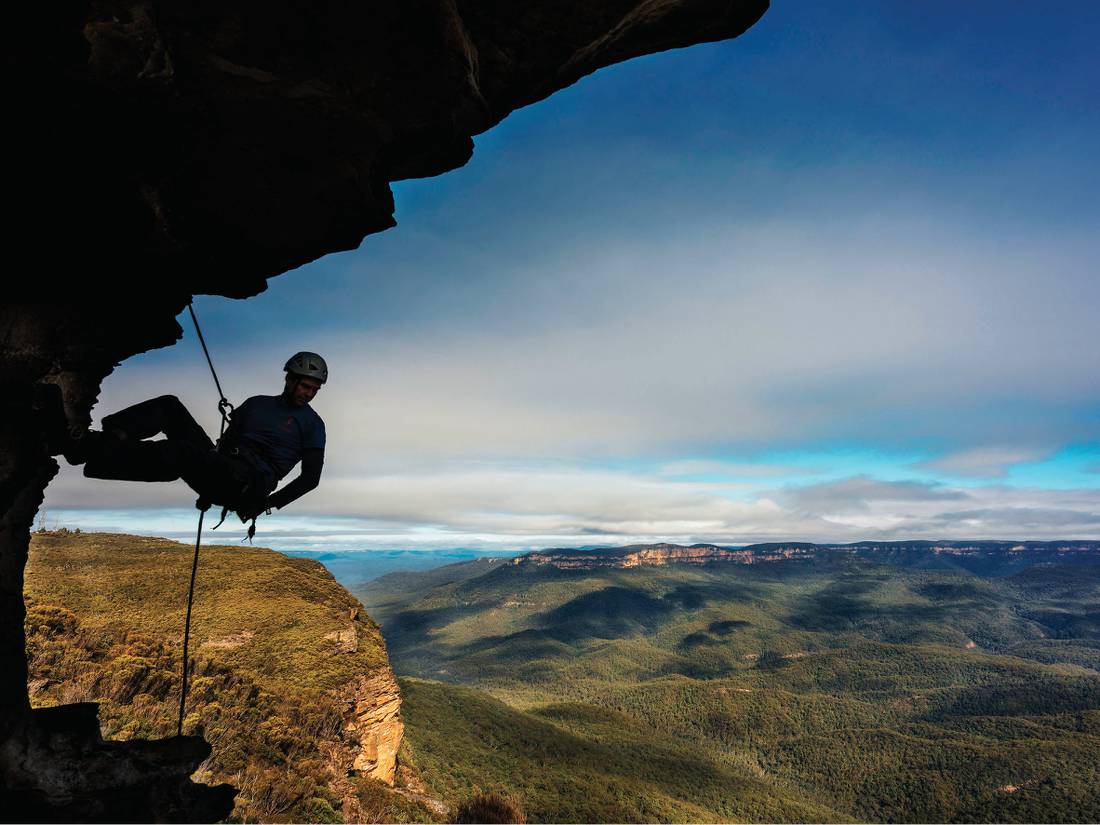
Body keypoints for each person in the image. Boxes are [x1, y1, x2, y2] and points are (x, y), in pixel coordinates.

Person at [42, 352, 328, 524]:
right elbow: (227, 443)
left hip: (250, 484)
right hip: (223, 467)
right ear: (289, 379)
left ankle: (83, 449)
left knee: (181, 452)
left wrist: (266, 504)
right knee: (169, 407)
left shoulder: (313, 425)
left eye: (315, 389)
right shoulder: (255, 405)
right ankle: (97, 443)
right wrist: (209, 477)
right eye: (305, 386)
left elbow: (310, 478)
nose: (309, 393)